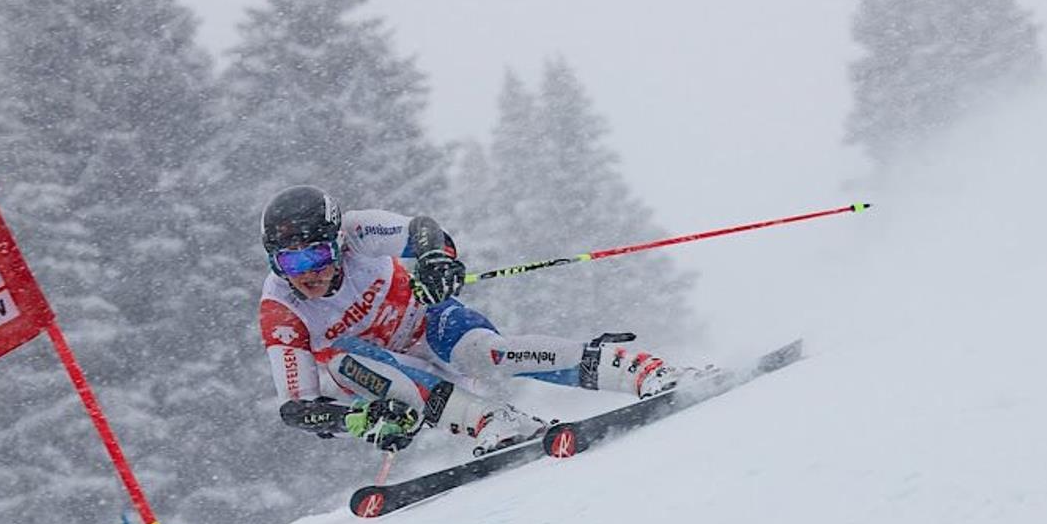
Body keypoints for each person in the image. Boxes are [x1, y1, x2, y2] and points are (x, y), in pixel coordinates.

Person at [259, 185, 718, 455]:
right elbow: (298, 408)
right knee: (342, 360)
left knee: (485, 352)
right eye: (289, 263)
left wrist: (436, 260)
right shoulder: (281, 308)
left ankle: (643, 372)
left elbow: (423, 230)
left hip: (427, 322)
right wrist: (360, 420)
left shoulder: (358, 229)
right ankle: (494, 422)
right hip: (385, 371)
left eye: (316, 255)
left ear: (338, 242)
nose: (307, 273)